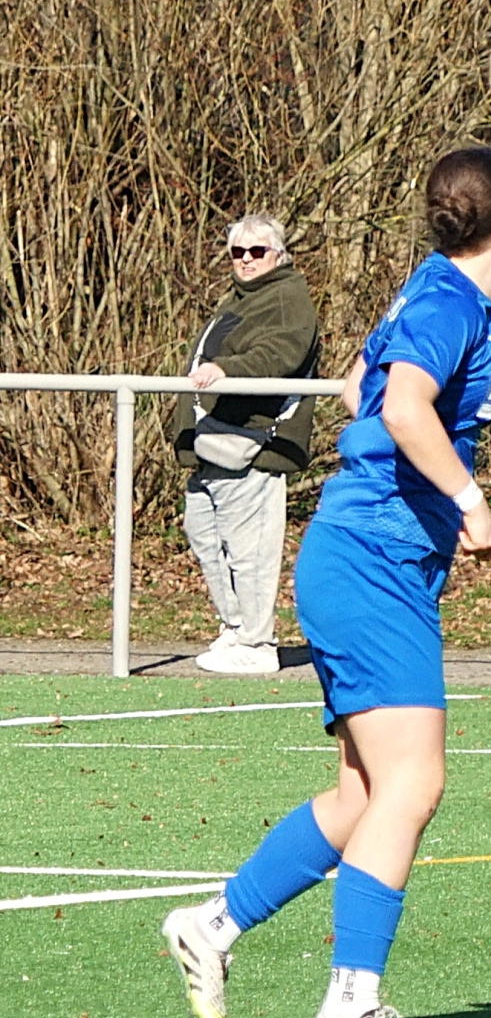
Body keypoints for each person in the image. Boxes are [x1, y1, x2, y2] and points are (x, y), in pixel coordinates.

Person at [162, 147, 491, 1018]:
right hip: (372, 565)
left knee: (363, 792)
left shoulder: (428, 292)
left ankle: (212, 925)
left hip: (356, 556)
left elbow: (360, 380)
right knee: (415, 782)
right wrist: (469, 500)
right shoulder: (448, 304)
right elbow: (398, 406)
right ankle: (351, 1006)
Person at [170, 214, 320, 676]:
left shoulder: (288, 296)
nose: (248, 260)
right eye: (239, 252)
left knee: (249, 549)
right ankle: (235, 628)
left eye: (258, 252)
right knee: (205, 534)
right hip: (213, 443)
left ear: (278, 254)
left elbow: (282, 352)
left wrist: (228, 369)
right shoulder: (239, 297)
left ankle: (257, 642)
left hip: (253, 443)